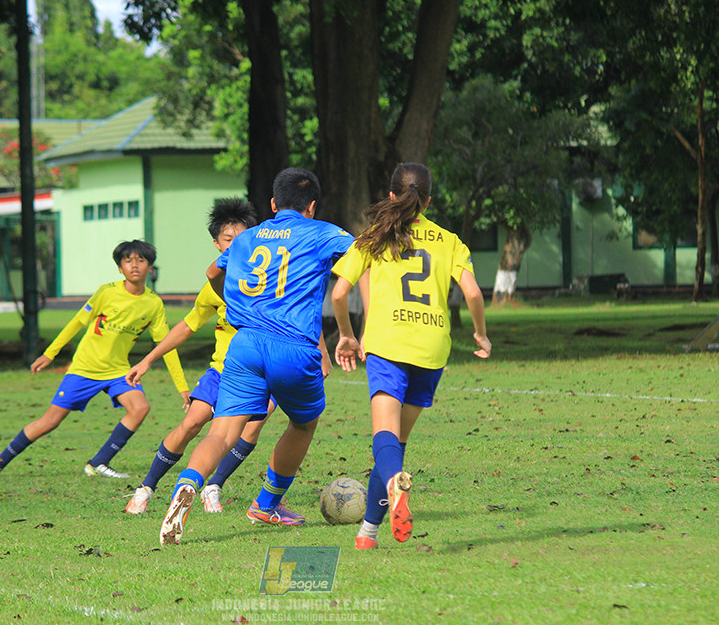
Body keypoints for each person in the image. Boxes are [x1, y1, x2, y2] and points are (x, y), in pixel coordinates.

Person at [154, 167, 353, 545]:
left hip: (244, 345)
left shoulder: (246, 238)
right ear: (311, 206)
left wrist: (231, 296)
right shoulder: (323, 231)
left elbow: (212, 271)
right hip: (293, 346)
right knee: (302, 424)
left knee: (223, 432)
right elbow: (361, 258)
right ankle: (267, 504)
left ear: (274, 204)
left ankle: (186, 487)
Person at [331, 162, 492, 550]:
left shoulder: (373, 236)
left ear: (391, 195)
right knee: (395, 442)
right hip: (433, 347)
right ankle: (368, 532)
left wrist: (348, 336)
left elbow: (339, 293)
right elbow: (472, 293)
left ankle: (393, 484)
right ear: (429, 200)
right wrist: (481, 334)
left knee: (385, 439)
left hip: (388, 344)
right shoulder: (449, 240)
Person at [0, 240, 190, 481]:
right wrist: (50, 353)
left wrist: (182, 387)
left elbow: (166, 347)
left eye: (141, 260)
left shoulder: (153, 304)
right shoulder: (106, 292)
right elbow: (78, 321)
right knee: (50, 421)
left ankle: (99, 463)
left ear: (150, 267)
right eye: (128, 261)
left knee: (140, 408)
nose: (134, 266)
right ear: (120, 268)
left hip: (118, 371)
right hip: (84, 369)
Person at [124, 199, 274, 515]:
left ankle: (212, 487)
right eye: (228, 240)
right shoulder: (215, 285)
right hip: (222, 371)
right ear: (217, 244)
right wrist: (148, 359)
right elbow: (187, 326)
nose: (235, 245)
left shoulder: (271, 279)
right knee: (192, 422)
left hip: (262, 372)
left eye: (242, 238)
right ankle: (146, 488)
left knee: (250, 429)